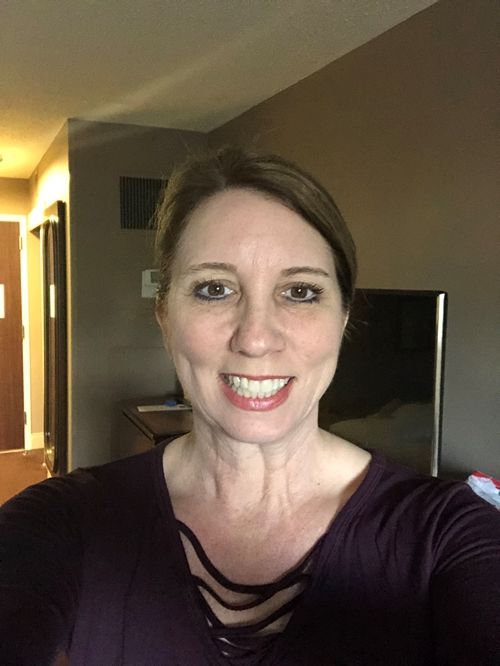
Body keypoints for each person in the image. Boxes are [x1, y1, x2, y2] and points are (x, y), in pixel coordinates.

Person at [1, 147, 499, 665]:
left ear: (344, 317)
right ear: (165, 317)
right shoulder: (63, 523)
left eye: (300, 291)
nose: (256, 338)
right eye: (215, 289)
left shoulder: (449, 536)